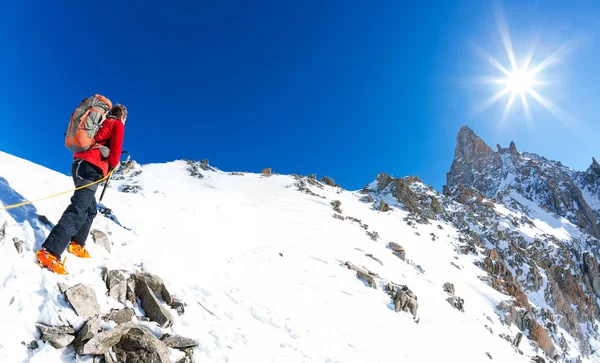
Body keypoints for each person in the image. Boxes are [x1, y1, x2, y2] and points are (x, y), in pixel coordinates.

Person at [36, 104, 127, 274]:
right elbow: (116, 150)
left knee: (90, 209)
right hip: (92, 167)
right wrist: (113, 166)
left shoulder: (101, 122)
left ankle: (77, 243)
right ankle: (50, 252)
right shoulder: (117, 124)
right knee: (78, 209)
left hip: (79, 165)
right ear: (122, 116)